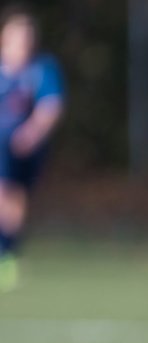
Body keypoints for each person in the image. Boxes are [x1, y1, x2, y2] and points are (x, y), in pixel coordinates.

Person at [0, 6, 63, 292]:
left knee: (16, 199)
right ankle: (5, 254)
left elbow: (51, 105)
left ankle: (9, 253)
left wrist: (33, 133)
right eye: (16, 37)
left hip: (25, 146)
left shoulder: (42, 68)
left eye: (27, 38)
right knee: (3, 193)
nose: (22, 43)